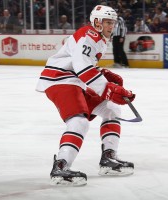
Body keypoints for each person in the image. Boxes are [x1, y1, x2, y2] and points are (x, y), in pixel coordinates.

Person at [36, 5, 135, 186]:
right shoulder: (89, 35)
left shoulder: (99, 38)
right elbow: (82, 68)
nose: (111, 26)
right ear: (96, 22)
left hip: (72, 81)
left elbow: (83, 64)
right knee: (78, 121)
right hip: (60, 80)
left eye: (112, 22)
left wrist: (103, 74)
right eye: (107, 22)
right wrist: (109, 89)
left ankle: (108, 158)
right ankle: (61, 166)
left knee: (111, 109)